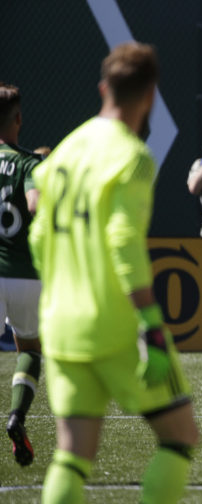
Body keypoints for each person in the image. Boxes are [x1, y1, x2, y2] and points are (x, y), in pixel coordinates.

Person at [29, 42, 199, 503]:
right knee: (179, 436)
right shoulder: (131, 156)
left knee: (72, 454)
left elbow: (38, 238)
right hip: (116, 323)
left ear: (104, 87)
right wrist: (152, 326)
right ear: (150, 96)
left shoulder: (64, 151)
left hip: (59, 324)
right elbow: (124, 245)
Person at [0, 82, 44, 466]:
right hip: (26, 274)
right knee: (29, 349)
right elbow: (35, 206)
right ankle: (17, 416)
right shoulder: (30, 163)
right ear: (18, 119)